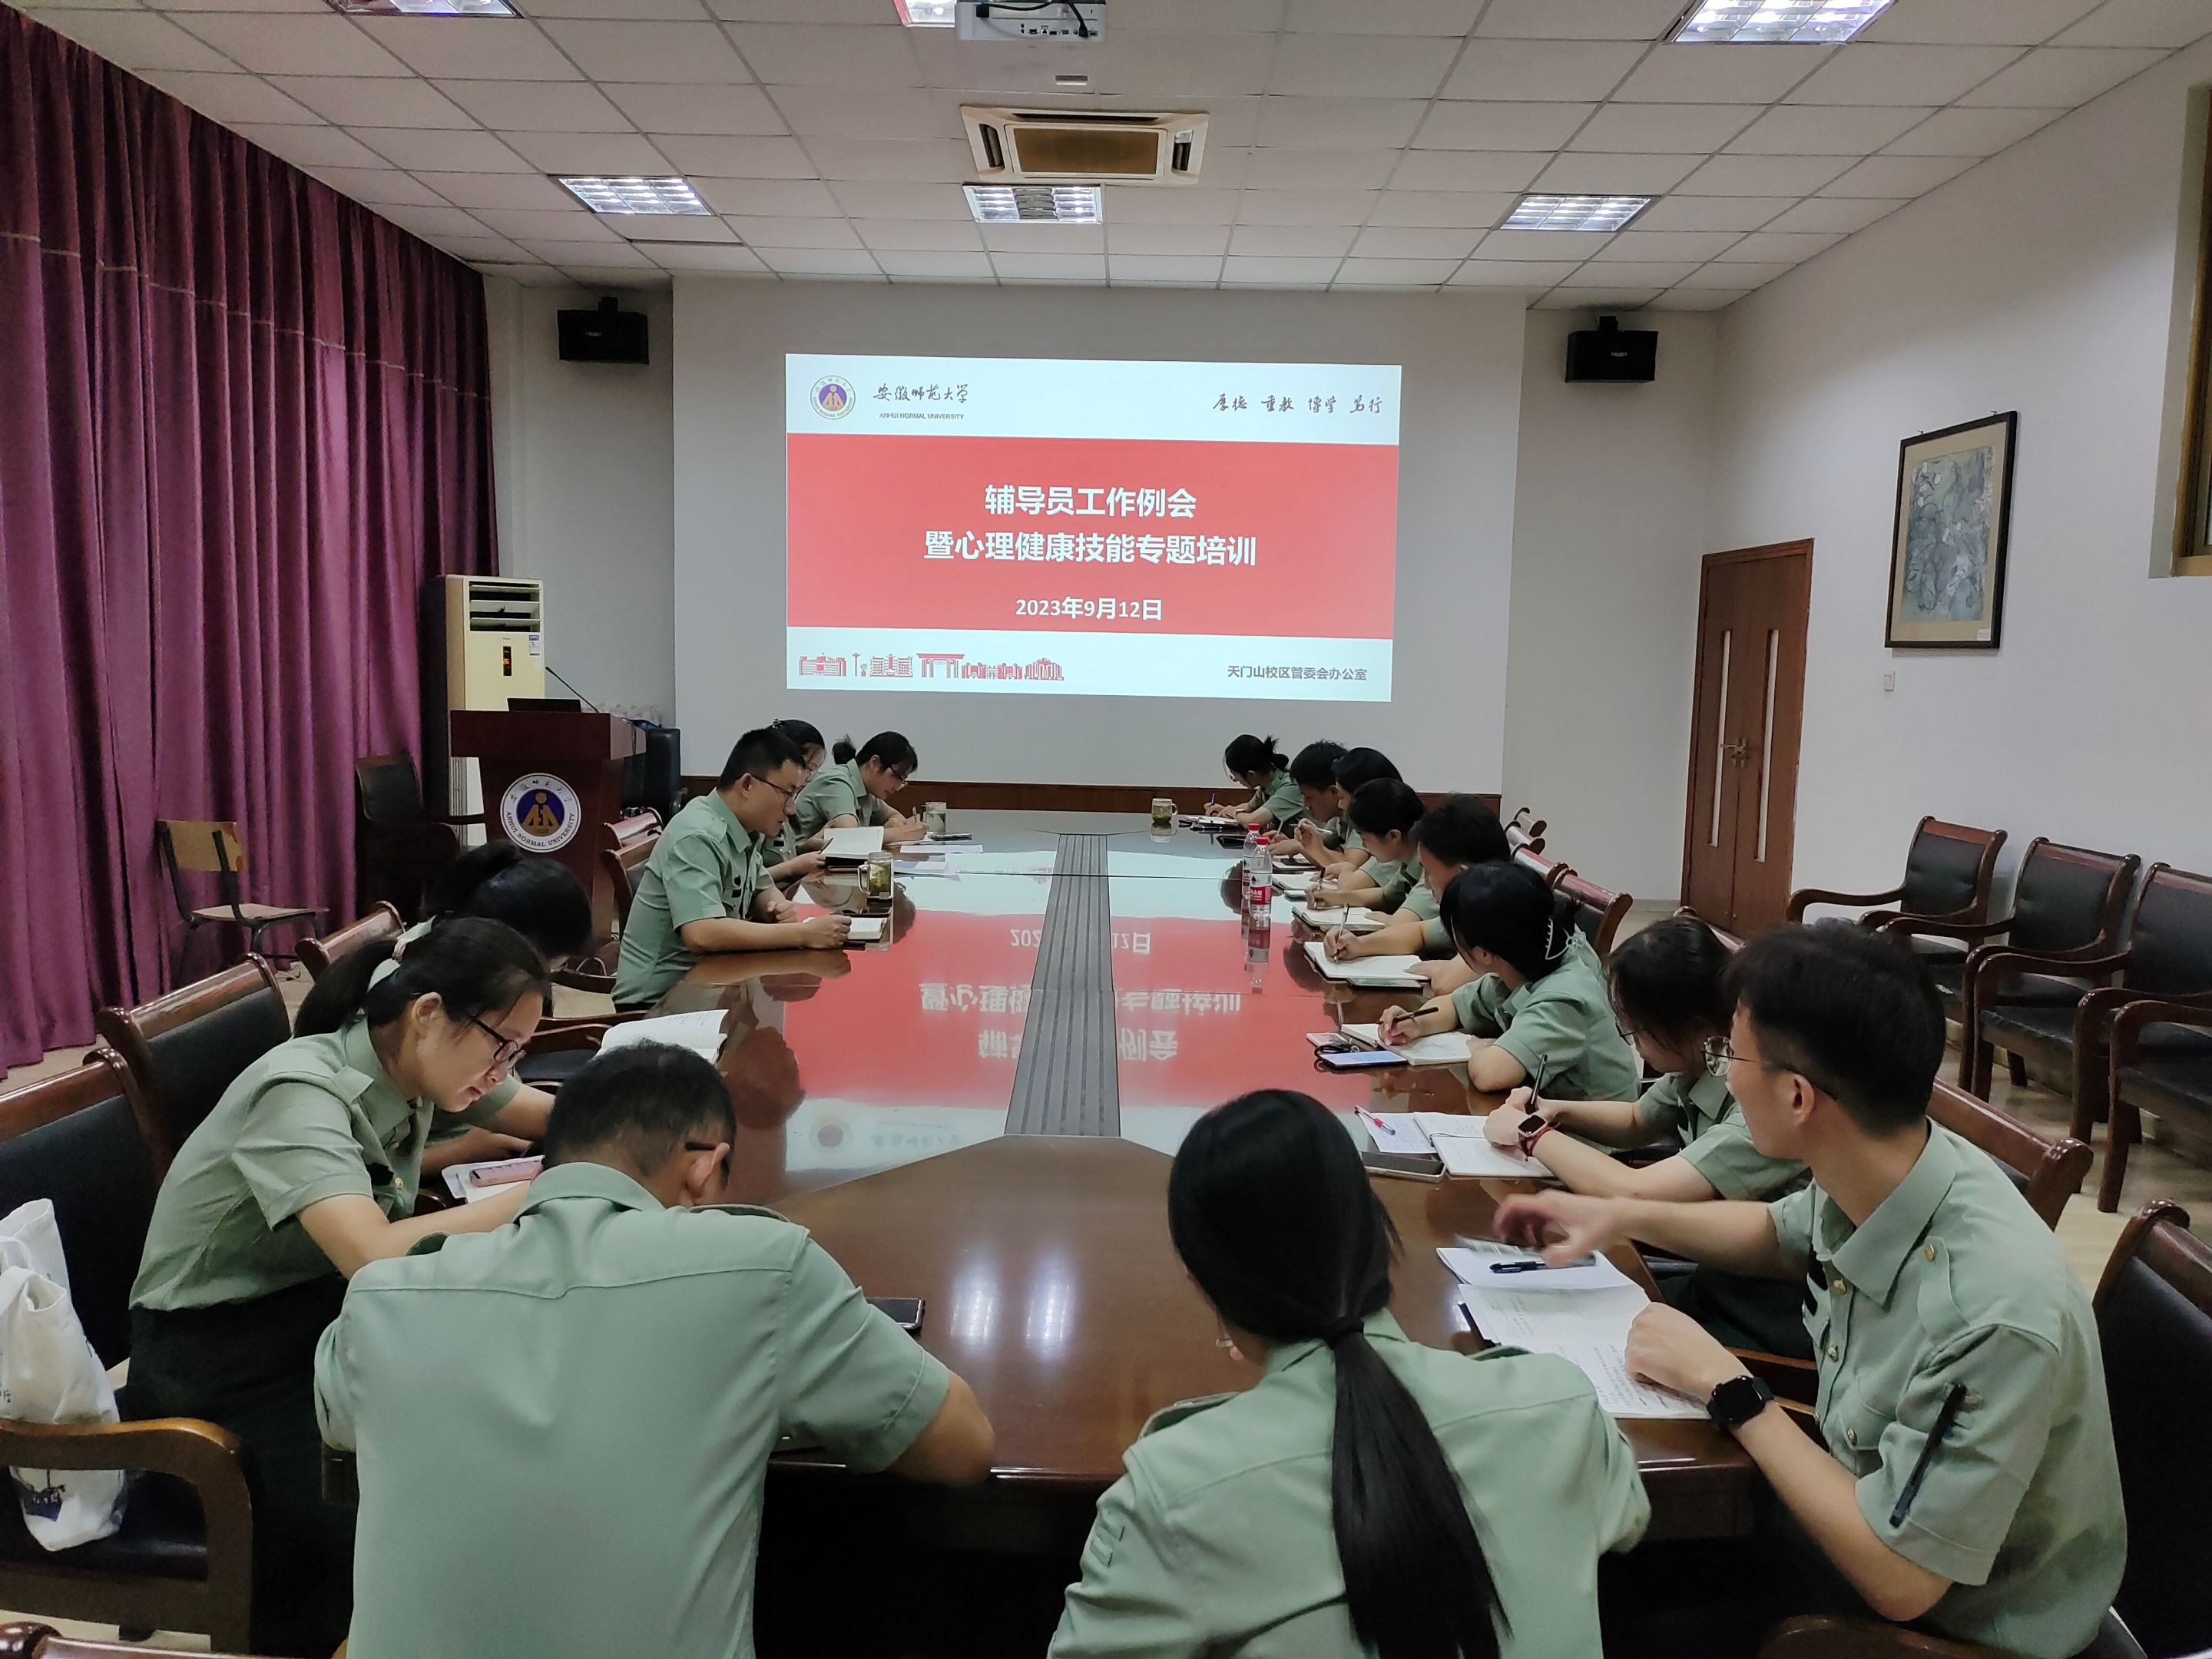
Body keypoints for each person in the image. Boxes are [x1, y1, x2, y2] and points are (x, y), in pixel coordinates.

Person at [1496, 926, 2125, 1659]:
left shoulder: (1994, 1314)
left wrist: (1729, 1388)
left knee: (1603, 1606)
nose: (1725, 1077)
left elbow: (1901, 1579)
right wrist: (1619, 1217)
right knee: (1577, 1552)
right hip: (1841, 1501)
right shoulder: (1893, 1160)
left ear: (1797, 1095)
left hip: (1936, 1629)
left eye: (1732, 1057)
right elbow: (1778, 1233)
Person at [316, 1041, 996, 1659]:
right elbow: (962, 1448)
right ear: (705, 1169)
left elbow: (346, 1424)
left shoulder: (381, 1296)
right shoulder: (762, 1266)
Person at [1049, 1089, 1647, 1658]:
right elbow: (1626, 1520)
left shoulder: (1174, 1491)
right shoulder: (1560, 1406)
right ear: (1376, 1235)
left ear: (1207, 1286)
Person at [127, 920, 555, 1655]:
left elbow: (551, 1114)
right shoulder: (301, 1091)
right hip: (214, 1362)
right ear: (428, 1013)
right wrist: (545, 1189)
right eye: (501, 1044)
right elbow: (371, 1255)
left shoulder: (417, 1058)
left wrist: (641, 1124)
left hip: (314, 1316)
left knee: (494, 1428)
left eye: (518, 1051)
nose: (503, 1069)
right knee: (400, 1521)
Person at [1479, 916, 1811, 1358]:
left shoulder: (1762, 1111)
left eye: (1636, 1029)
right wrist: (1556, 1110)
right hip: (1714, 1288)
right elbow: (1638, 1119)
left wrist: (1531, 1134)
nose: (1728, 1066)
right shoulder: (1699, 1064)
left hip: (1747, 1321)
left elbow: (1636, 1191)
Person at [614, 727, 850, 1009]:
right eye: (787, 794)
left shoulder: (744, 825)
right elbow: (702, 933)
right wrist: (804, 935)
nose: (791, 809)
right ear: (747, 785)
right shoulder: (698, 834)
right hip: (658, 1001)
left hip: (713, 980)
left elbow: (761, 886)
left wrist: (775, 905)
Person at [1379, 862, 1639, 1100]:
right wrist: (1415, 1023)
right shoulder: (1522, 962)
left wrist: (1481, 1048)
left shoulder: (1564, 997)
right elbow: (1455, 1005)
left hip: (1593, 1130)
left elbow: (1489, 1075)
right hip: (1549, 1115)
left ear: (1483, 954)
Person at [412, 843, 594, 1175]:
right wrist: (459, 1151)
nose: (542, 982)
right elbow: (371, 1172)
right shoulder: (421, 992)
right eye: (545, 968)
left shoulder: (445, 946)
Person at [1322, 796, 1508, 988]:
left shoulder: (1500, 919)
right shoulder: (1471, 909)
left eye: (1429, 872)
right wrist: (1359, 945)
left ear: (1462, 875)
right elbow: (1419, 932)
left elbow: (1446, 984)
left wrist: (1441, 970)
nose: (1426, 884)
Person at [789, 730, 925, 847]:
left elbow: (896, 816)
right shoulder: (837, 781)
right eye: (898, 777)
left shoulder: (866, 790)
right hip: (797, 864)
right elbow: (850, 837)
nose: (897, 787)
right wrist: (902, 833)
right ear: (875, 764)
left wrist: (893, 823)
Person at [1311, 778, 1424, 910]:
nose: (1365, 847)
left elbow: (1406, 918)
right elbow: (1386, 896)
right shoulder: (1408, 860)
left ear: (1393, 836)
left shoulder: (1429, 866)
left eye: (1364, 839)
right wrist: (1334, 898)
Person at [1297, 747, 1402, 876]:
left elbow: (1350, 871)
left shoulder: (1375, 826)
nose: (1339, 804)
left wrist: (1312, 848)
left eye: (1341, 797)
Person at [763, 717, 831, 885]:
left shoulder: (788, 800)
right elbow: (750, 879)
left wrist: (803, 849)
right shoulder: (763, 803)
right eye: (809, 768)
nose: (809, 777)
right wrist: (793, 866)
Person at [1209, 734, 1303, 830]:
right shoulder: (1266, 786)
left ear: (1251, 774)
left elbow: (1252, 822)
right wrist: (1223, 810)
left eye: (1235, 776)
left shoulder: (1290, 788)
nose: (1236, 780)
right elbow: (1249, 808)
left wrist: (1233, 812)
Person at [1273, 740, 1345, 859]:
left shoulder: (1356, 816)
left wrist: (1301, 847)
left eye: (1309, 797)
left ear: (1334, 792)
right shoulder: (1336, 819)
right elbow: (1325, 849)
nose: (1306, 805)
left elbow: (1350, 864)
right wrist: (1301, 842)